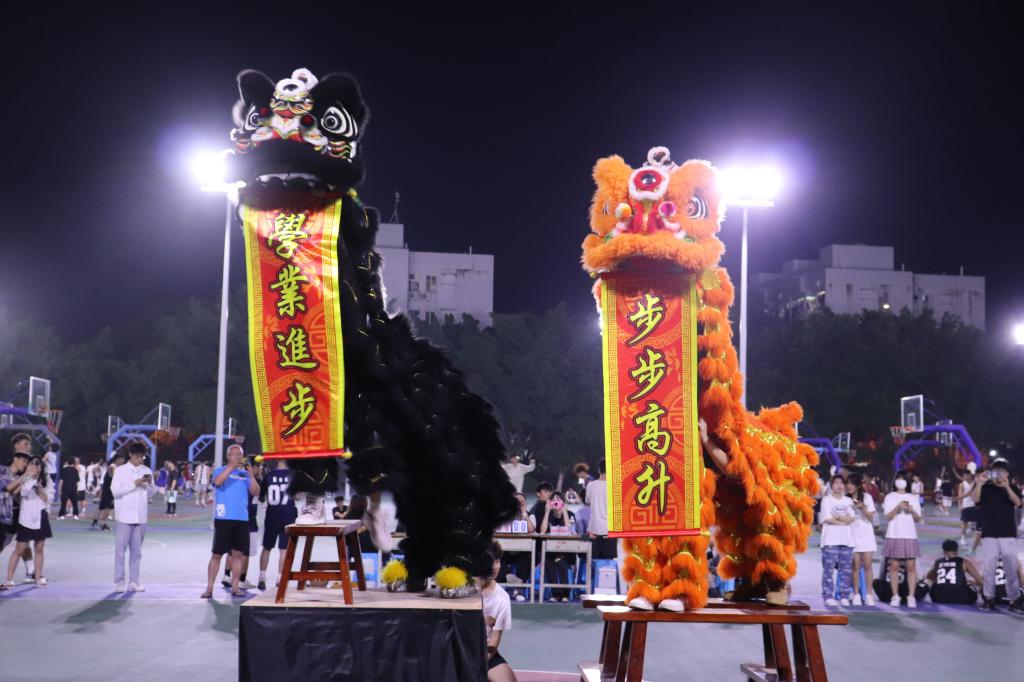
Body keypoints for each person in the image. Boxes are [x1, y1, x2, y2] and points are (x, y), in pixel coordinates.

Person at [202, 445, 259, 598]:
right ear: (227, 456)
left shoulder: (244, 474)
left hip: (241, 519)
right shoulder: (219, 470)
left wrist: (251, 476)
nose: (236, 456)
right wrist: (231, 467)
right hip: (224, 518)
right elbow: (217, 482)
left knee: (238, 555)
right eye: (232, 454)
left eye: (238, 454)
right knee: (216, 555)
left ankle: (235, 588)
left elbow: (256, 492)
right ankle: (209, 588)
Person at [973, 459, 1023, 613]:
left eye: (1002, 471)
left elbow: (1018, 503)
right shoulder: (985, 487)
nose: (999, 474)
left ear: (1007, 473)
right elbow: (976, 500)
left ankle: (1014, 599)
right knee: (989, 568)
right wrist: (979, 483)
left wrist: (1007, 486)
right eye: (996, 471)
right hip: (989, 533)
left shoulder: (1012, 487)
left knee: (1011, 567)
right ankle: (989, 598)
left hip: (1008, 533)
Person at [111, 442, 155, 592]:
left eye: (142, 457)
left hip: (141, 516)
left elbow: (150, 494)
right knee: (120, 552)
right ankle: (119, 582)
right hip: (124, 516)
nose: (140, 460)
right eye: (137, 457)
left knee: (137, 553)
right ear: (130, 454)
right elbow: (115, 492)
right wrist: (134, 484)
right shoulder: (120, 471)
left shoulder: (146, 470)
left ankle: (134, 582)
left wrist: (150, 484)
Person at [4, 455, 52, 587]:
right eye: (32, 463)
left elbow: (46, 499)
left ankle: (38, 577)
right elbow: (23, 493)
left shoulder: (46, 481)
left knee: (39, 548)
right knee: (20, 549)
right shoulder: (24, 478)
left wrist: (39, 488)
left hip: (40, 515)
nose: (34, 466)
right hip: (25, 517)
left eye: (37, 464)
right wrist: (30, 479)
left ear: (41, 467)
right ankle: (9, 579)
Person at [478, 541, 516, 682]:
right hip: (459, 649)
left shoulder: (502, 598)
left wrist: (478, 665)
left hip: (485, 652)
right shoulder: (466, 588)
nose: (495, 567)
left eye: (498, 561)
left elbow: (494, 642)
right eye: (491, 562)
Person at [883, 474, 922, 607]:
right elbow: (888, 517)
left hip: (910, 534)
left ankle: (911, 596)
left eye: (903, 479)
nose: (901, 481)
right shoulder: (890, 497)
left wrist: (912, 511)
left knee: (911, 566)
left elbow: (918, 518)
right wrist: (898, 507)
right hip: (894, 534)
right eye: (899, 479)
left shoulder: (913, 497)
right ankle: (895, 596)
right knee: (894, 566)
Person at [259, 459, 297, 590]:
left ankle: (262, 577)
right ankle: (280, 578)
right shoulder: (292, 476)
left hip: (272, 515)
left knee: (267, 547)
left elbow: (261, 497)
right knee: (284, 549)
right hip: (288, 515)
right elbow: (297, 497)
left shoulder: (268, 476)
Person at [819, 475, 855, 607]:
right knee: (828, 570)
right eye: (836, 483)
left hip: (847, 540)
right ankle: (828, 595)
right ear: (831, 485)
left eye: (841, 483)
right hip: (830, 540)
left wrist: (838, 517)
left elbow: (852, 518)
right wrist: (844, 521)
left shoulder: (848, 501)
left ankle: (844, 595)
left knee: (846, 570)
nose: (839, 486)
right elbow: (828, 519)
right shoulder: (826, 500)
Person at [536, 490, 576, 602]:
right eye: (553, 500)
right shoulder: (548, 516)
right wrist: (547, 512)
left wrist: (564, 511)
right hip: (551, 551)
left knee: (560, 561)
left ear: (563, 502)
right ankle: (556, 593)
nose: (556, 503)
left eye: (559, 500)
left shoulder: (570, 515)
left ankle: (565, 594)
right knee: (549, 562)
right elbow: (542, 531)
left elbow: (569, 530)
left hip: (567, 551)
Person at [497, 492, 536, 602]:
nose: (519, 504)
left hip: (522, 551)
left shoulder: (531, 516)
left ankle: (519, 590)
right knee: (494, 556)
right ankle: (510, 577)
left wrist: (524, 514)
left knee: (527, 559)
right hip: (505, 551)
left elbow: (531, 530)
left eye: (522, 502)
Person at [847, 475, 877, 606]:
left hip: (866, 534)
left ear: (858, 485)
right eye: (848, 483)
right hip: (852, 534)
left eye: (852, 483)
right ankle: (856, 594)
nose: (849, 486)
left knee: (868, 566)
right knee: (855, 566)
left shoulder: (867, 497)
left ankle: (869, 595)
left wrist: (863, 508)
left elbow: (871, 517)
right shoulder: (845, 500)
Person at [924, 539, 982, 604]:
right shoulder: (964, 562)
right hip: (962, 599)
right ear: (957, 551)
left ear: (943, 551)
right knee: (976, 586)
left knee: (929, 582)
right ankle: (987, 599)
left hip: (938, 598)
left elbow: (928, 577)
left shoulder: (937, 562)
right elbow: (980, 580)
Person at [1, 450, 31, 557]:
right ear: (15, 459)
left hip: (6, 518)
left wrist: (27, 481)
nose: (25, 464)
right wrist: (25, 476)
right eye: (24, 461)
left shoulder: (18, 478)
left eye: (27, 462)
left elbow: (13, 494)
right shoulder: (2, 470)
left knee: (3, 545)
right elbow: (6, 488)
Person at [585, 460, 615, 561]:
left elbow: (587, 501)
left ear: (599, 470)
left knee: (593, 563)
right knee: (608, 566)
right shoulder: (614, 486)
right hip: (610, 530)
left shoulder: (590, 485)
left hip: (594, 529)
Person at [91, 454, 121, 531]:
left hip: (106, 489)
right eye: (122, 459)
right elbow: (115, 478)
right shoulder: (113, 467)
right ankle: (103, 524)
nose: (123, 461)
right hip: (109, 491)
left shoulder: (113, 467)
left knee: (101, 507)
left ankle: (95, 521)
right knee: (108, 508)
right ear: (117, 459)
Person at [956, 470, 978, 545]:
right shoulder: (962, 484)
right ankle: (962, 538)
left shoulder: (975, 483)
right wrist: (959, 505)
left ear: (969, 475)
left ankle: (977, 539)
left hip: (975, 505)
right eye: (963, 475)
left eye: (966, 475)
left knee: (977, 522)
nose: (964, 477)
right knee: (964, 522)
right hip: (966, 505)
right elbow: (960, 495)